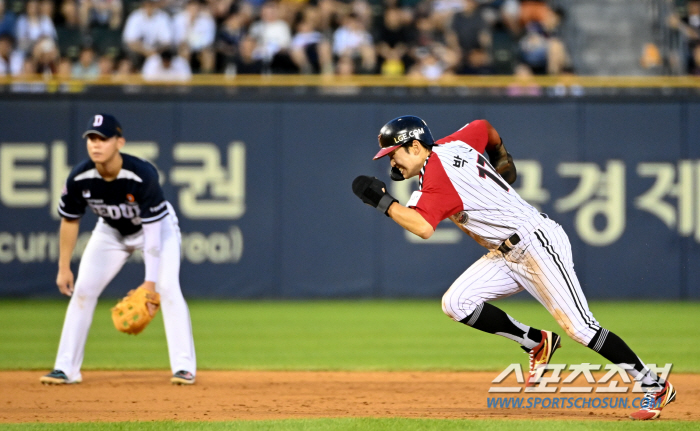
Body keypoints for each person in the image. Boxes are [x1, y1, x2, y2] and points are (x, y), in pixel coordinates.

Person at [352, 115, 677, 421]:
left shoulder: (437, 178)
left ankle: (654, 385)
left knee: (581, 328)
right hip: (506, 252)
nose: (391, 161)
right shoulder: (454, 144)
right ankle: (536, 341)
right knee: (456, 303)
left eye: (394, 153)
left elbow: (423, 227)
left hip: (537, 244)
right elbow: (483, 127)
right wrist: (501, 155)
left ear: (416, 146)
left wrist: (384, 203)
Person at [40, 113, 197, 386]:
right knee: (83, 292)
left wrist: (150, 283)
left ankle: (184, 367)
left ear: (119, 142)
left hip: (158, 229)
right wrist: (64, 267)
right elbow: (69, 220)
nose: (95, 144)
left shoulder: (141, 175)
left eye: (103, 138)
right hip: (110, 231)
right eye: (91, 138)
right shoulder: (80, 177)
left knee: (168, 288)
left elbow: (151, 233)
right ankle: (66, 368)